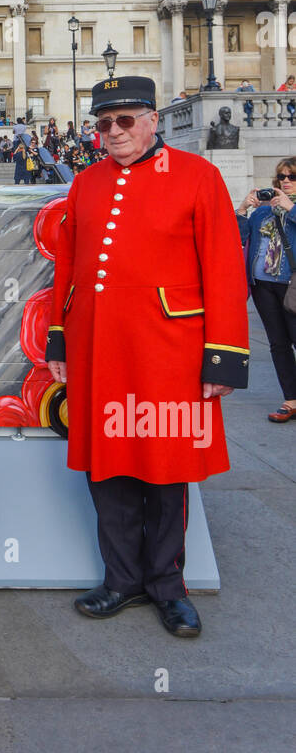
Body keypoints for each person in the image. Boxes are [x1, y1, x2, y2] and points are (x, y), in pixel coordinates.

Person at [46, 76, 249, 638]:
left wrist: (224, 357)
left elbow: (224, 270)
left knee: (165, 469)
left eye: (125, 120)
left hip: (169, 351)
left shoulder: (198, 176)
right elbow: (68, 269)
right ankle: (121, 579)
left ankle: (167, 585)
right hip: (99, 349)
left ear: (153, 120)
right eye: (103, 123)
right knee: (105, 468)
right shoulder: (85, 182)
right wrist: (58, 339)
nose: (113, 132)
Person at [236, 158, 296, 421]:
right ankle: (291, 400)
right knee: (278, 344)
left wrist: (291, 209)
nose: (285, 180)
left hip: (291, 285)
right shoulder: (263, 211)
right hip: (263, 286)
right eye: (282, 176)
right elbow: (235, 238)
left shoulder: (290, 207)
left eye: (292, 176)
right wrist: (242, 210)